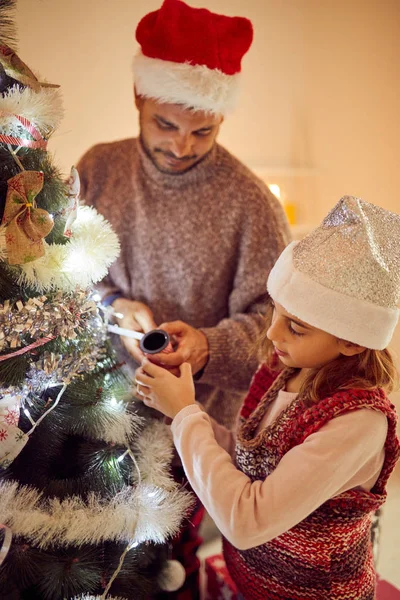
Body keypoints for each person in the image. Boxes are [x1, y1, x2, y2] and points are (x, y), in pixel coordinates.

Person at [77, 0, 290, 596]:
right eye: (166, 125)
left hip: (194, 426)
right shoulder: (98, 168)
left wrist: (206, 347)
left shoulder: (249, 202)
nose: (182, 146)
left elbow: (276, 328)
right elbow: (68, 275)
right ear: (139, 99)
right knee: (84, 555)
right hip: (95, 408)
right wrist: (115, 304)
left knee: (165, 566)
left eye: (204, 131)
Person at [136, 196, 400, 600]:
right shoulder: (285, 373)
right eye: (276, 311)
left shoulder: (358, 423)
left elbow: (247, 520)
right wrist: (180, 409)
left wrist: (187, 413)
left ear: (350, 342)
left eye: (295, 327)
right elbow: (249, 459)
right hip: (251, 583)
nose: (273, 334)